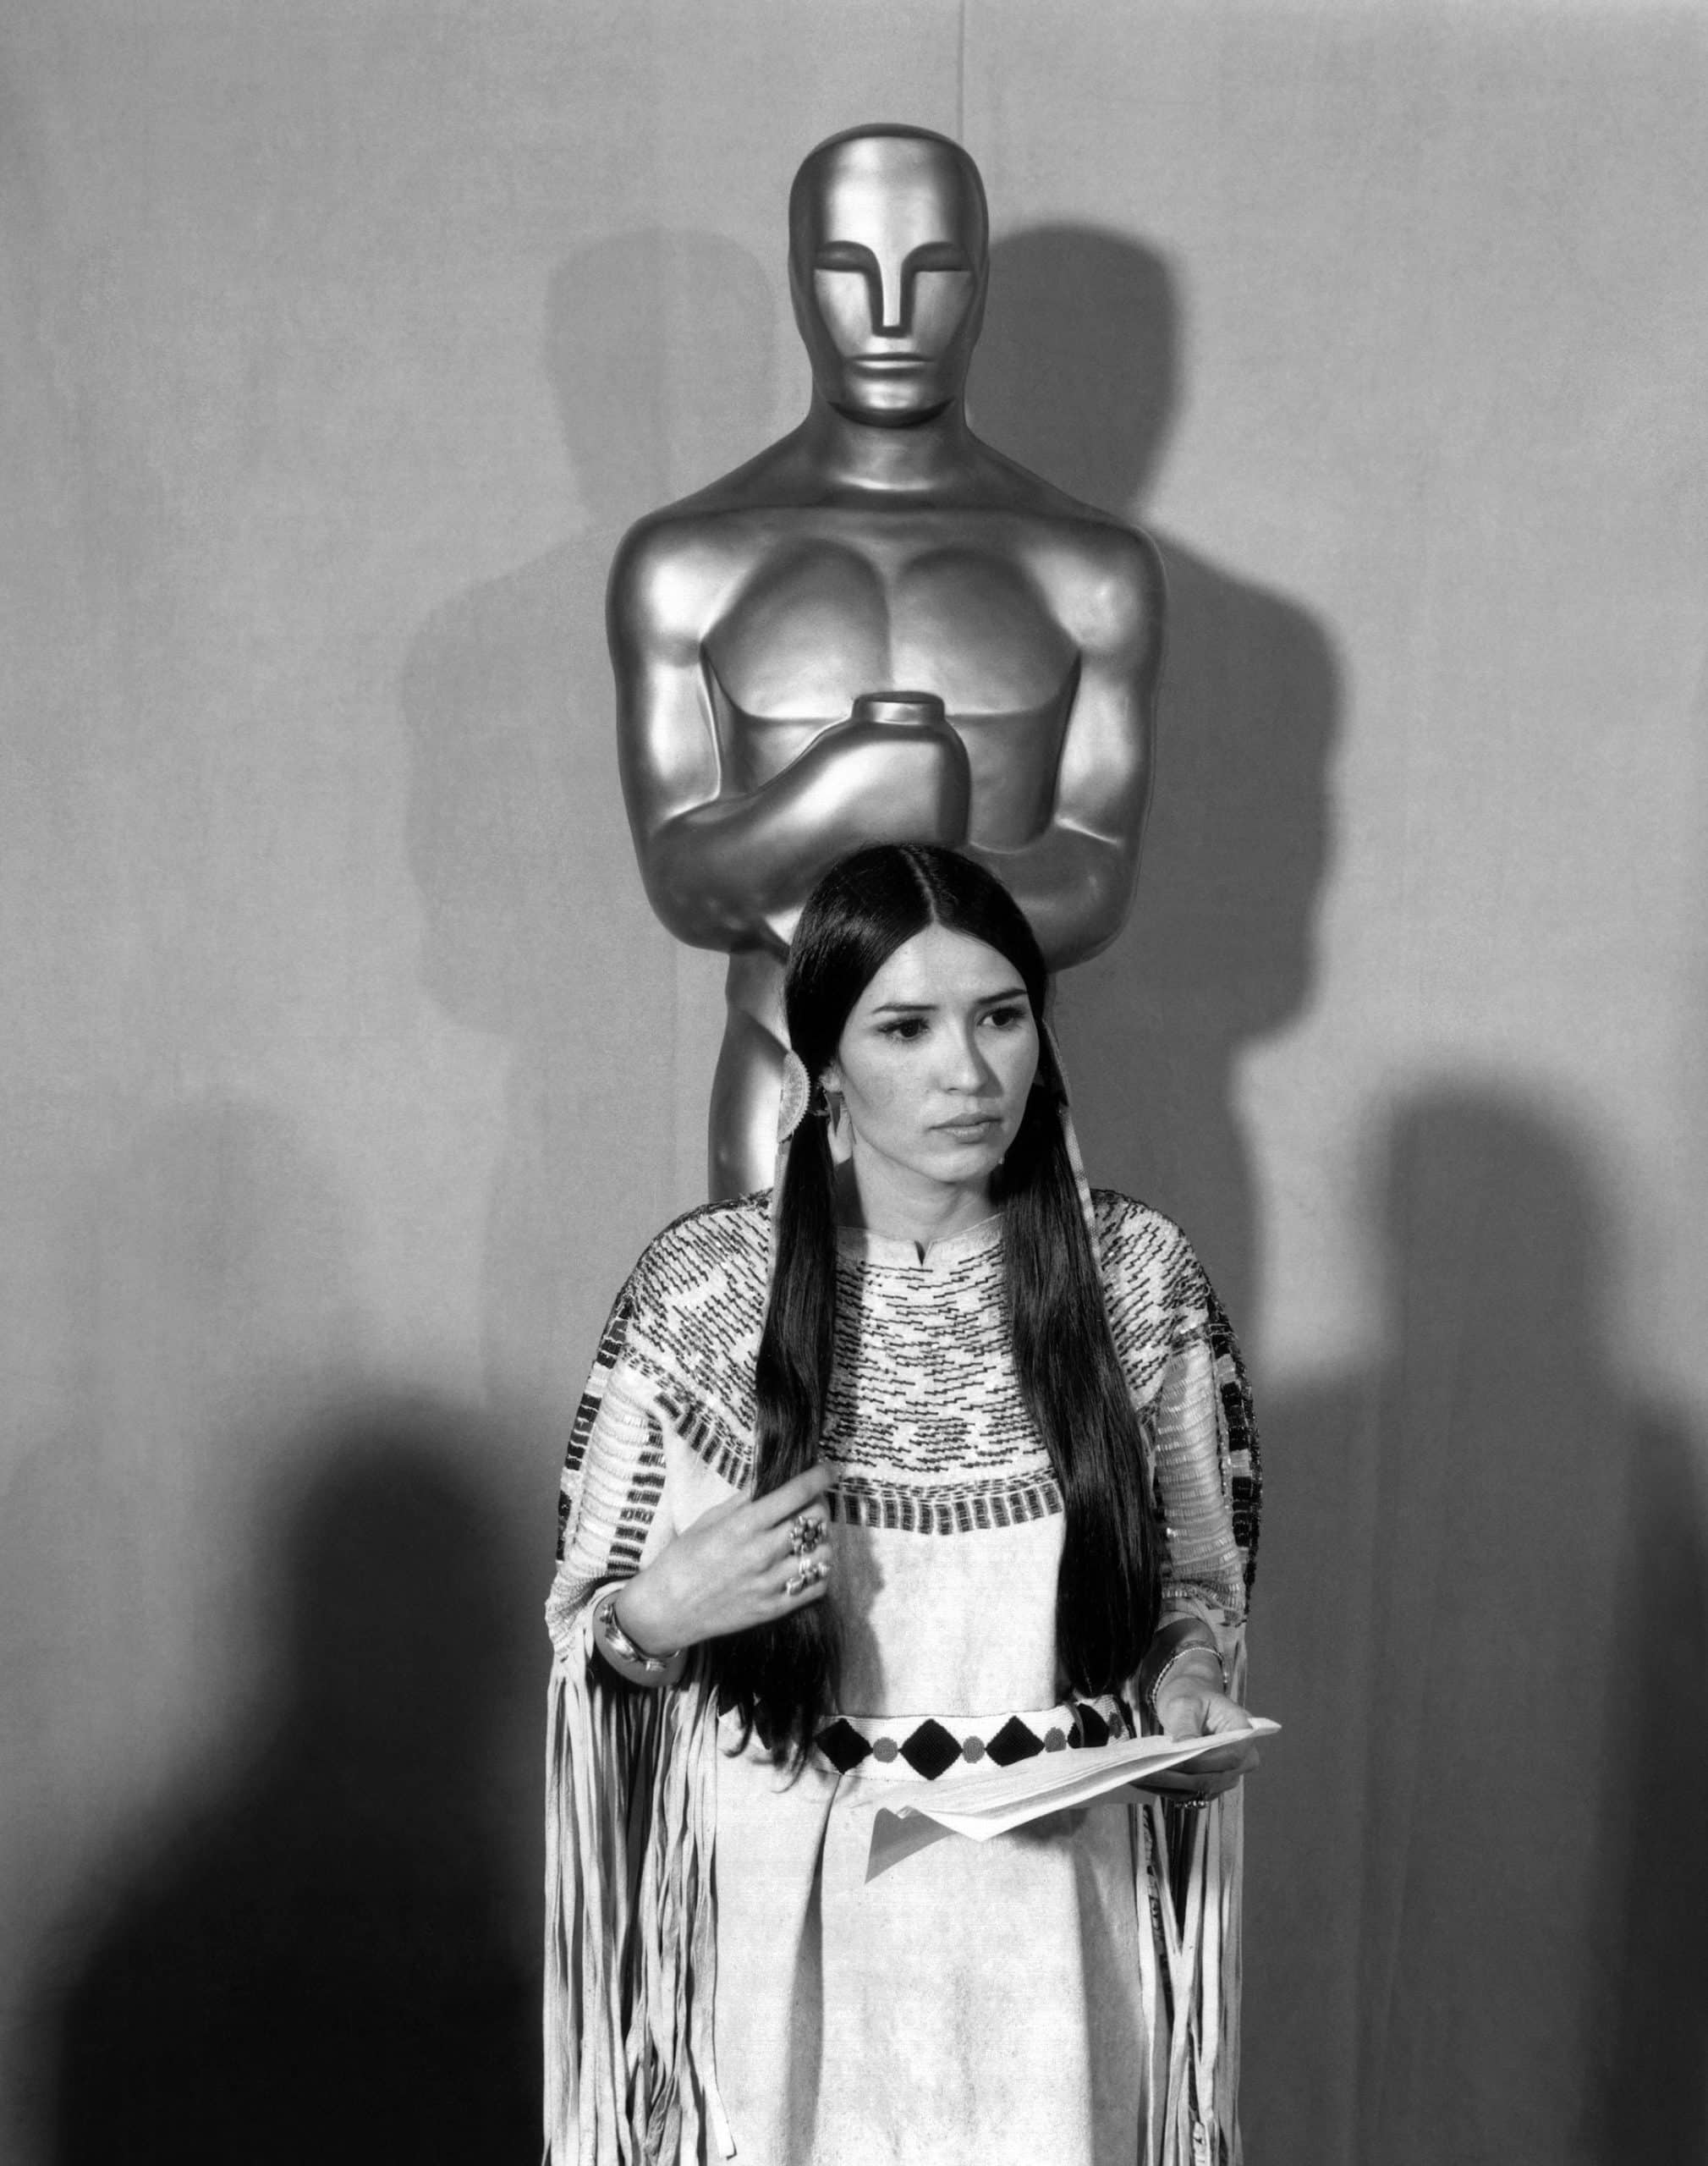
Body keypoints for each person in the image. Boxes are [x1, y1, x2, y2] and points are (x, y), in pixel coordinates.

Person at [544, 844, 1261, 2166]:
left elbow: (1192, 1594)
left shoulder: (1136, 1280)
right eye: (905, 1027)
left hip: (1053, 1905)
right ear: (823, 1060)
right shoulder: (704, 1294)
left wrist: (1187, 1693)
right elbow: (590, 1629)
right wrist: (656, 1612)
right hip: (782, 1917)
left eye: (998, 1017)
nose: (966, 1072)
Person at [607, 124, 1166, 1196]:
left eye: (936, 270)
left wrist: (895, 858)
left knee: (1014, 1366)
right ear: (797, 276)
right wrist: (836, 797)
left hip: (993, 1086)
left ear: (984, 282)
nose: (894, 317)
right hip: (784, 1070)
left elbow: (1096, 874)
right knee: (771, 1361)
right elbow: (682, 879)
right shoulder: (687, 560)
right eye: (849, 269)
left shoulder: (1091, 568)